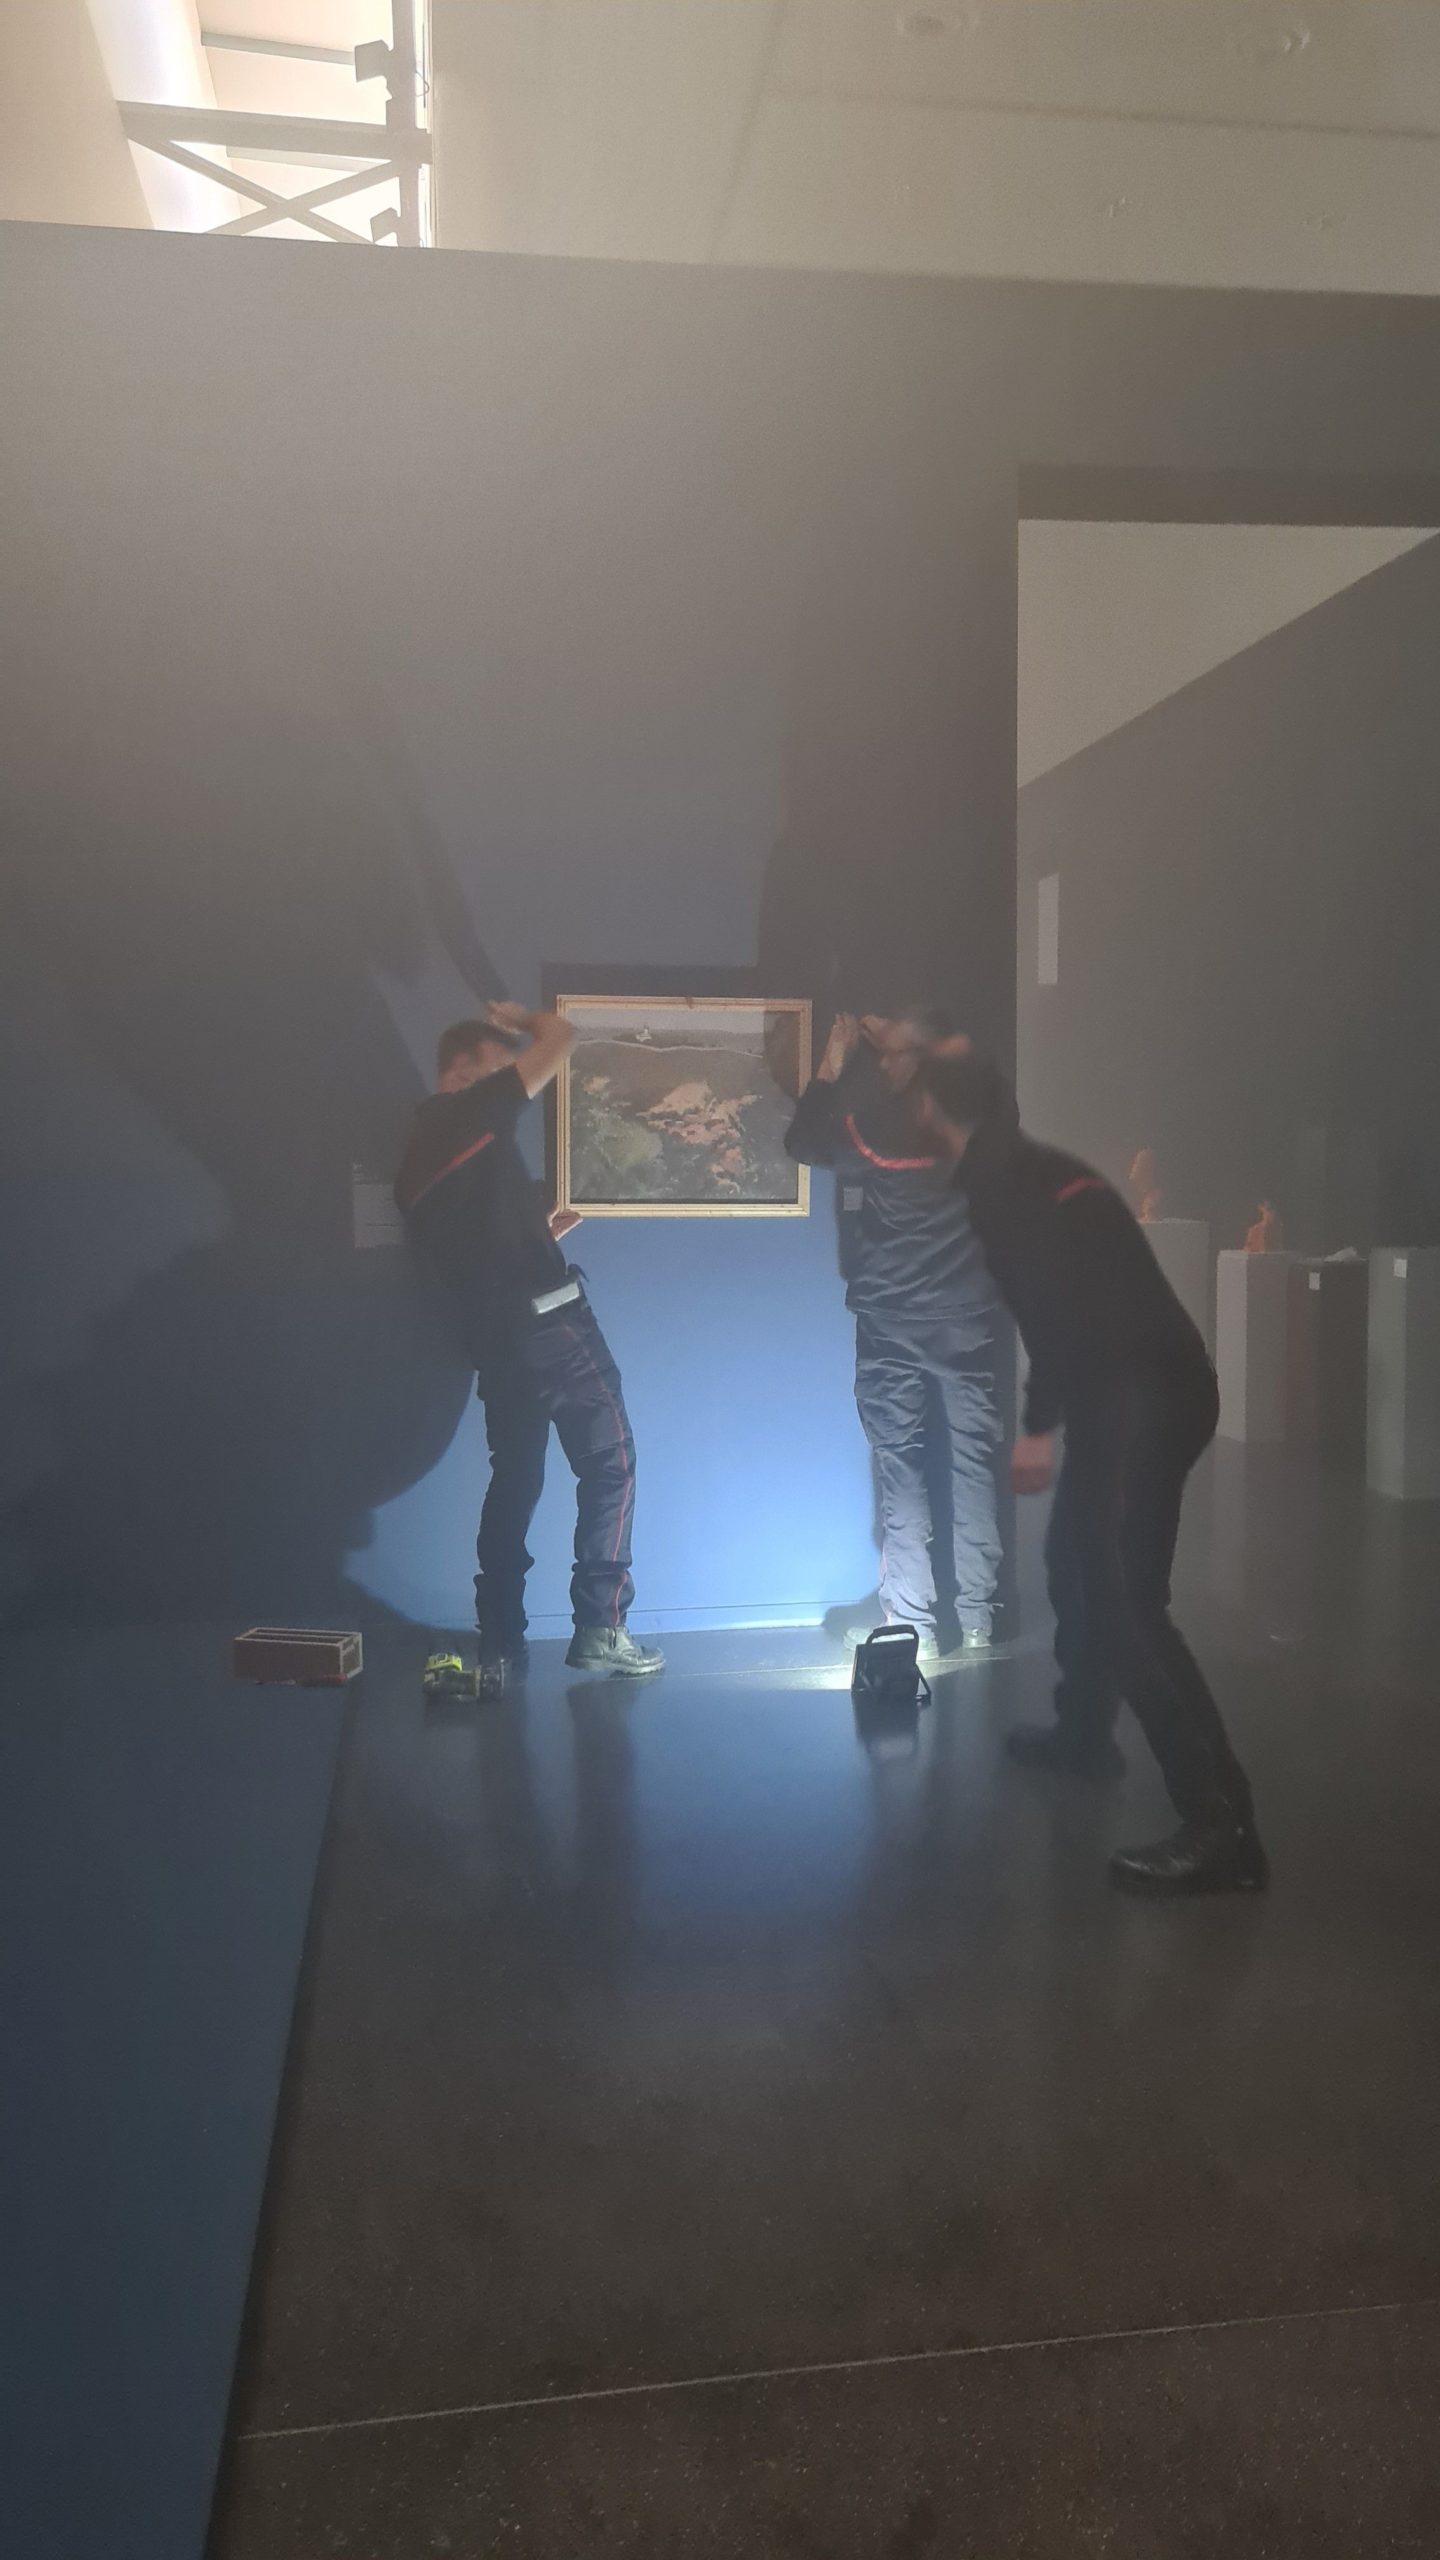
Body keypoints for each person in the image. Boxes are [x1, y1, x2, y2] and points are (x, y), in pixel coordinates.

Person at [916, 1042, 1266, 1897]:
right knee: (1073, 1567)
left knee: (1127, 1606)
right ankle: (1084, 1734)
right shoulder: (1029, 1169)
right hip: (1143, 1389)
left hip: (1144, 1399)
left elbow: (1057, 1313)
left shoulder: (1008, 1190)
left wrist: (1038, 1429)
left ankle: (1221, 1825)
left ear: (934, 1112)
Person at [394, 1005, 663, 1682]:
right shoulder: (468, 1114)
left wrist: (537, 1232)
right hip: (553, 1325)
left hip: (495, 1339)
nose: (505, 1081)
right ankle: (601, 1625)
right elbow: (561, 1038)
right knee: (611, 1463)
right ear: (463, 1071)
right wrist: (523, 1019)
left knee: (515, 1479)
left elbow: (474, 1249)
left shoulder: (417, 1163)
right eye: (495, 1069)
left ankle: (501, 1642)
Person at [785, 1009, 1002, 1664]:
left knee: (900, 1467)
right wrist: (922, 1043)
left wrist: (832, 1064)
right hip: (968, 1315)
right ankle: (981, 1618)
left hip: (889, 1319)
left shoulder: (872, 1130)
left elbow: (802, 1141)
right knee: (974, 1464)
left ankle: (913, 1624)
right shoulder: (979, 1125)